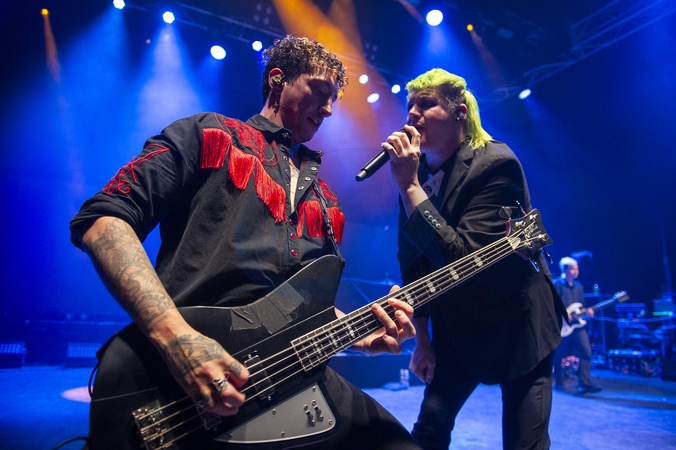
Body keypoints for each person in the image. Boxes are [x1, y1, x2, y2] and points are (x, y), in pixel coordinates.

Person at [70, 35, 421, 450]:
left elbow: (298, 304)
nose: (328, 109)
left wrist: (359, 334)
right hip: (184, 380)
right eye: (319, 91)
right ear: (277, 80)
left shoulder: (325, 199)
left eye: (334, 100)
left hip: (288, 377)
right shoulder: (209, 134)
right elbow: (105, 220)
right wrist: (176, 337)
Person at [381, 68, 567, 449]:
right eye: (410, 105)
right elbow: (413, 259)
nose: (412, 113)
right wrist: (422, 340)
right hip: (459, 325)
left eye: (426, 104)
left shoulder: (496, 165)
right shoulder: (418, 173)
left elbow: (463, 260)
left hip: (517, 324)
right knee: (430, 428)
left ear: (459, 113)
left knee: (524, 443)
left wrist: (411, 187)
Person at [552, 256, 602, 394]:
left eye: (577, 268)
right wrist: (562, 313)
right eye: (573, 269)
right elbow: (550, 304)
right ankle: (559, 382)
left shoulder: (579, 287)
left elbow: (581, 306)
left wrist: (588, 312)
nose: (576, 271)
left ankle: (584, 383)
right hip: (562, 326)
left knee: (585, 351)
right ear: (565, 270)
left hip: (577, 326)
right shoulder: (556, 285)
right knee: (559, 354)